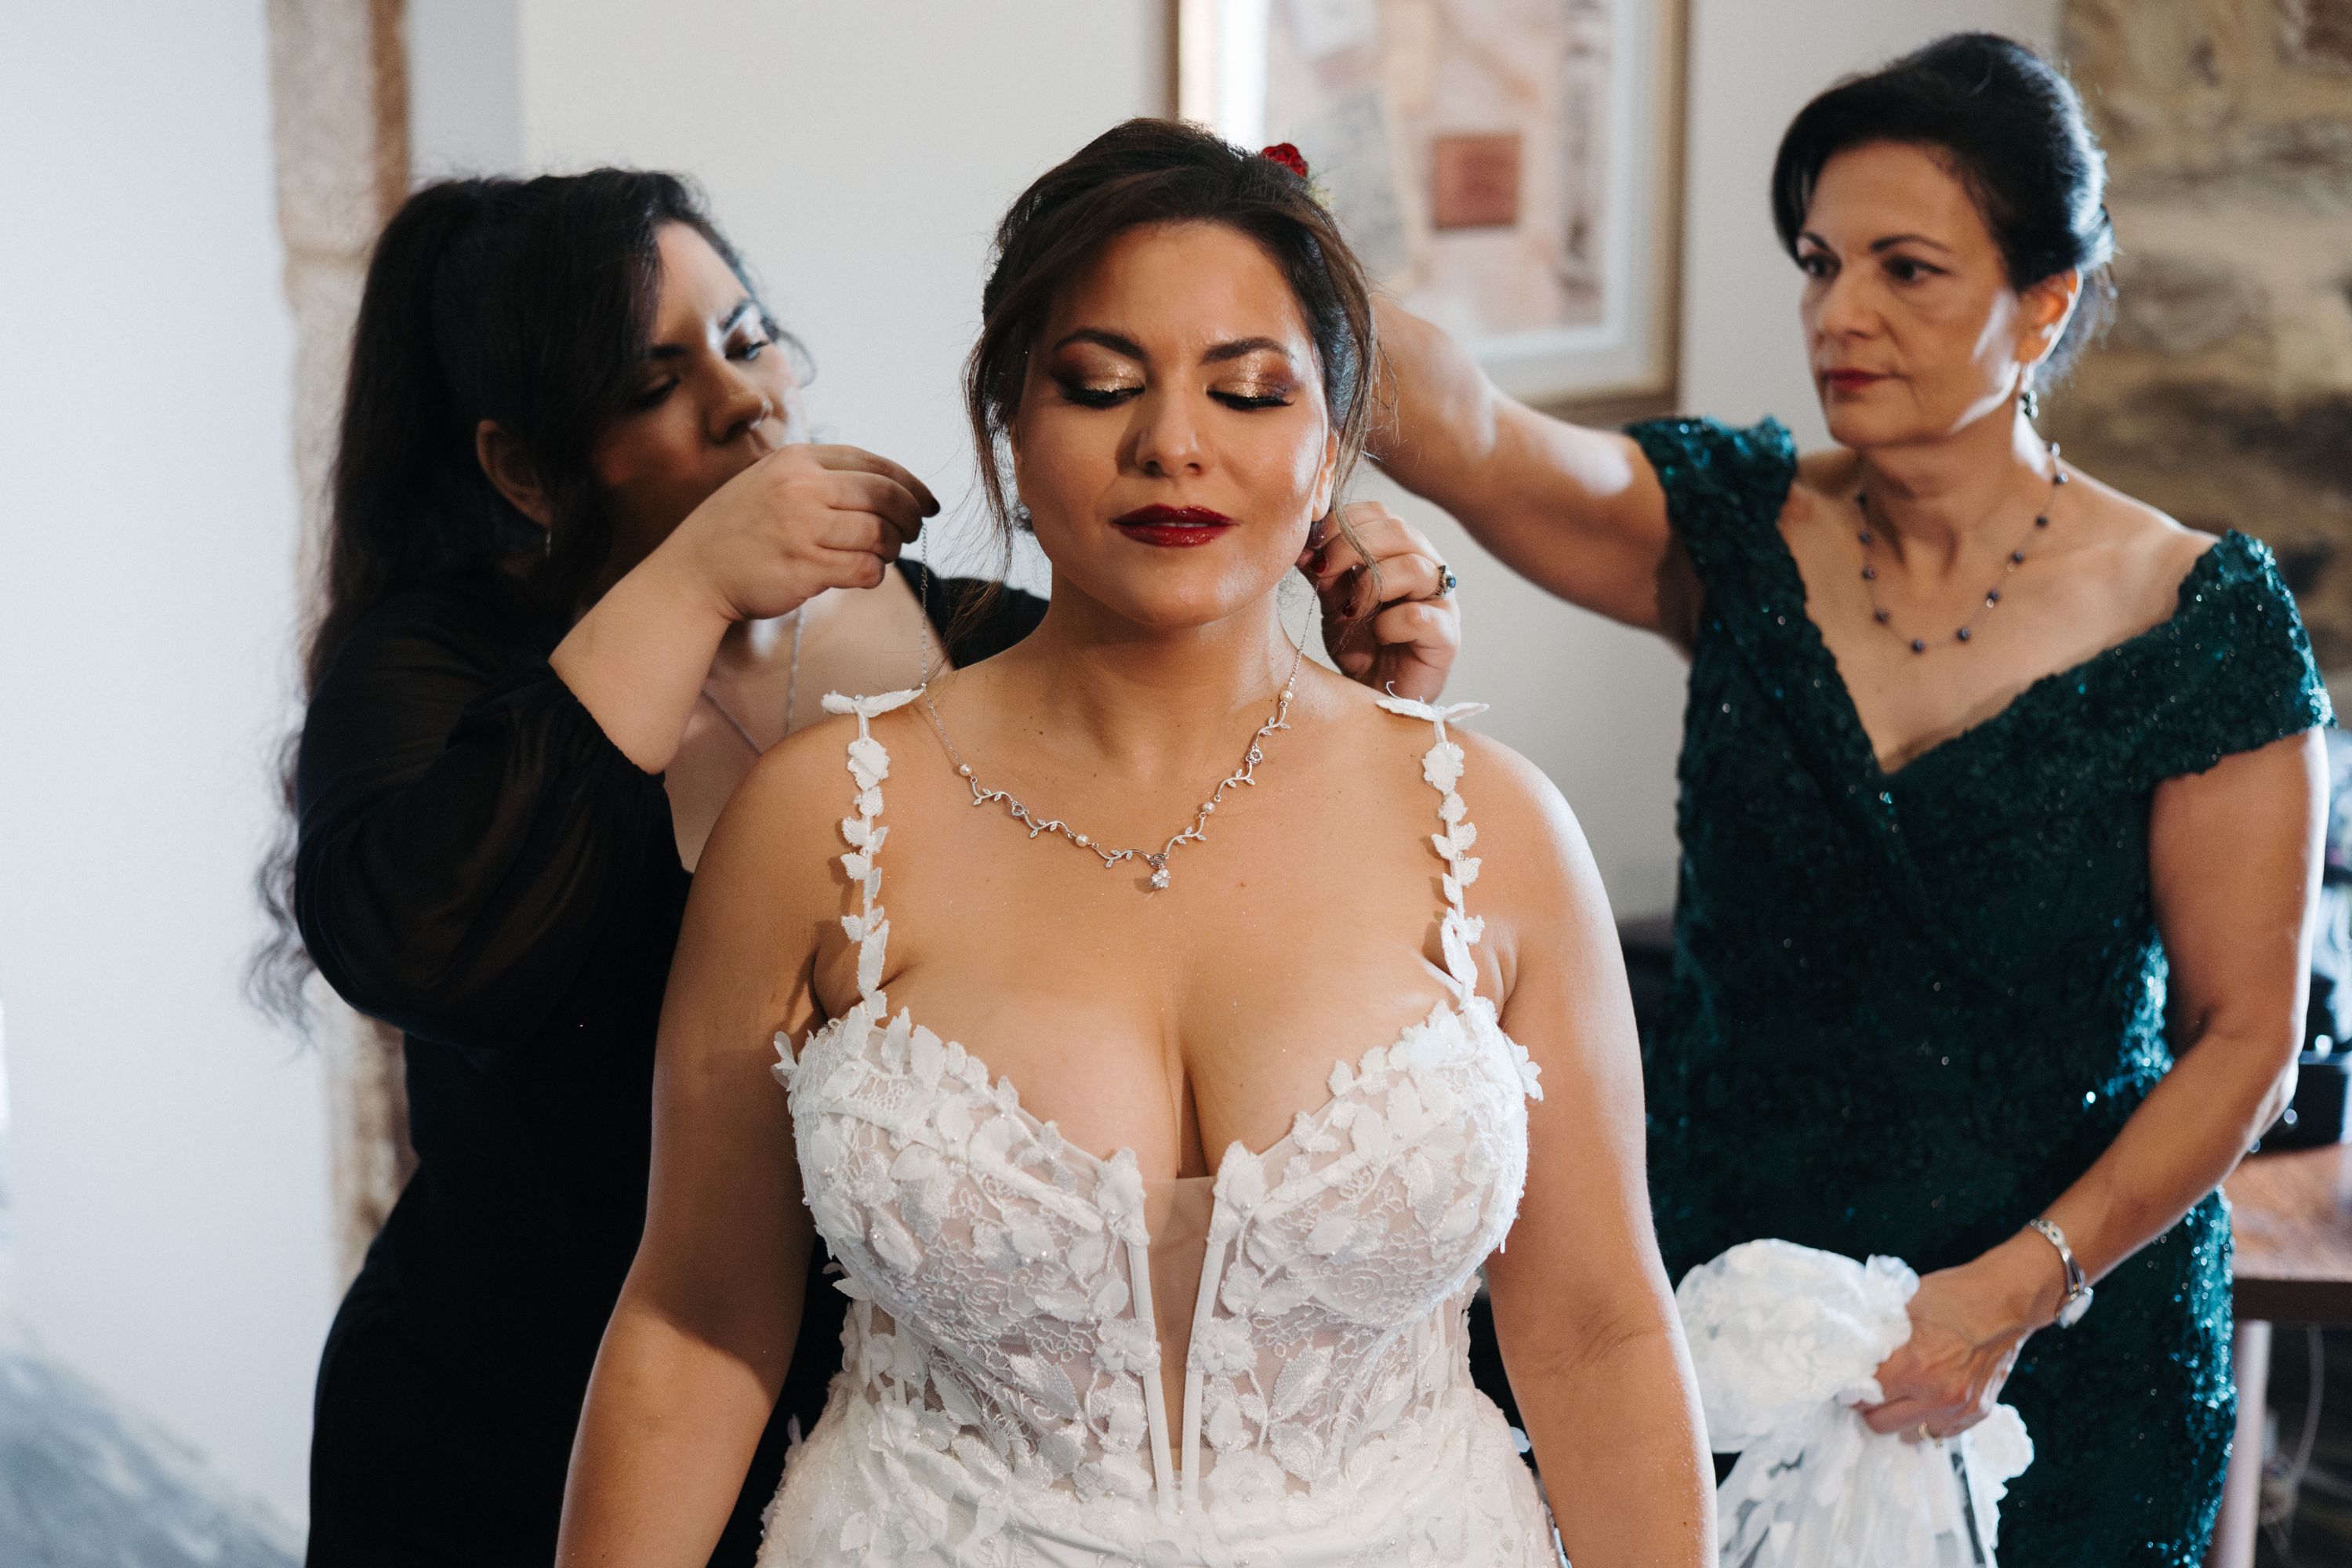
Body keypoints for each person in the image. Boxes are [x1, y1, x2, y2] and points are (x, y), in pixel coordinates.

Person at [557, 121, 1713, 1568]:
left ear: (1333, 442)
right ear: (1008, 422)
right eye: (1102, 385)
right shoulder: (820, 820)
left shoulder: (1493, 824)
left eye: (1248, 391)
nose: (1173, 443)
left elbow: (1599, 1333)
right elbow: (697, 1320)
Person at [275, 169, 1458, 1566]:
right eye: (654, 382)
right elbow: (417, 943)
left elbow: (1187, 915)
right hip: (513, 1413)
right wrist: (694, 581)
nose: (743, 399)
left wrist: (1369, 713)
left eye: (748, 336)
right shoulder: (444, 664)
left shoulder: (976, 645)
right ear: (524, 470)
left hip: (895, 1457)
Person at [1370, 33, 2328, 1566]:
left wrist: (2015, 1290)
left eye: (1907, 270)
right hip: (1710, 1303)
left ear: (2045, 302)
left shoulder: (2197, 622)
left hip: (2069, 1352)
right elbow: (1473, 435)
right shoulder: (1728, 534)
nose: (1840, 314)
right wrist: (1254, 248)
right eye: (1821, 265)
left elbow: (2247, 1040)